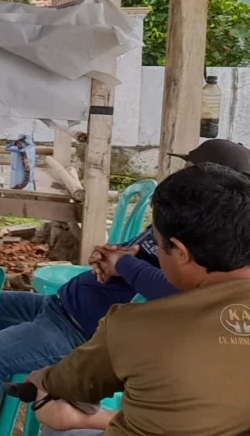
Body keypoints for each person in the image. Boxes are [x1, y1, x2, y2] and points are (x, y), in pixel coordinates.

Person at [0, 138, 250, 434]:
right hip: (65, 305)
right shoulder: (200, 232)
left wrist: (123, 264)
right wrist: (113, 254)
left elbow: (62, 382)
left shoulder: (147, 320)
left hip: (79, 328)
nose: (182, 174)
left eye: (191, 169)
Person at [28, 163, 250, 436]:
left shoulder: (134, 325)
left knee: (55, 423)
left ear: (180, 251)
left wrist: (39, 380)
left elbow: (65, 384)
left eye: (157, 244)